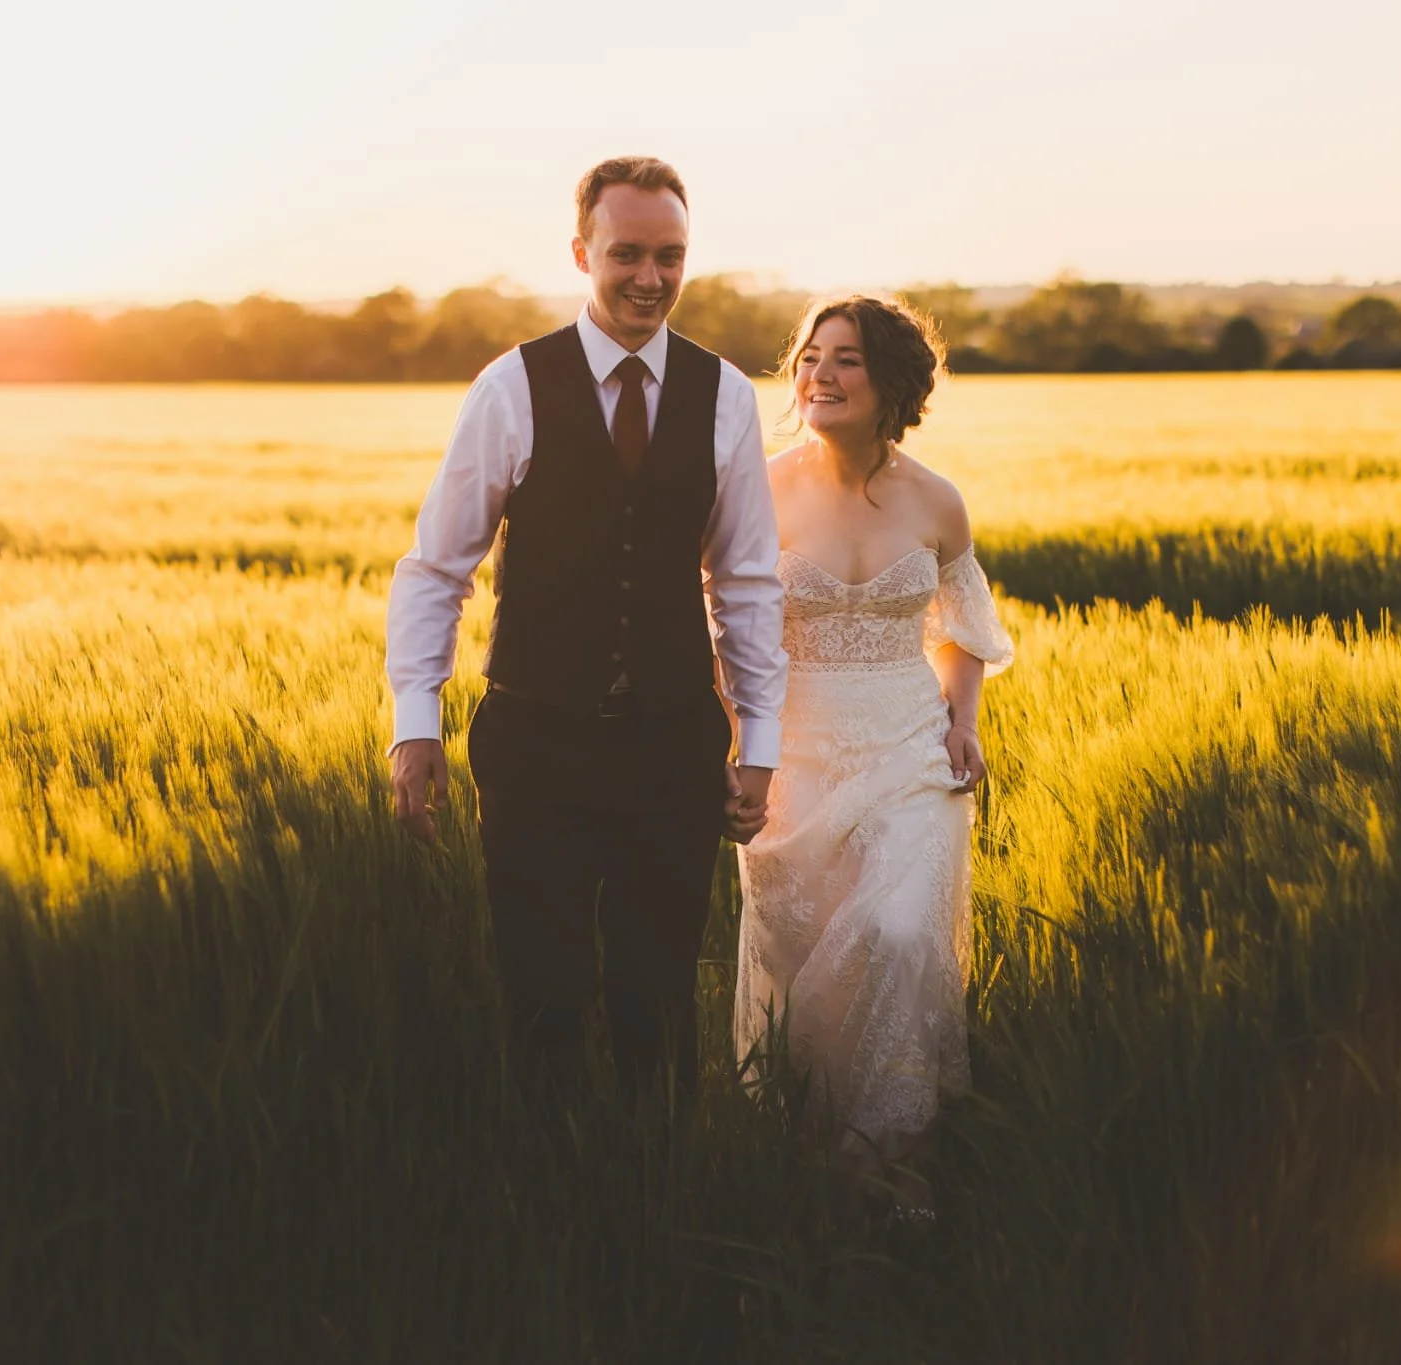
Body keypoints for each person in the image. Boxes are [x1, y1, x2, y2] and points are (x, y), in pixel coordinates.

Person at [385, 156, 787, 1107]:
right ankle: (555, 1200)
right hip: (537, 742)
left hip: (673, 743)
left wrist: (759, 742)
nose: (650, 276)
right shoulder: (511, 387)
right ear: (582, 253)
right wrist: (416, 721)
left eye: (671, 256)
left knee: (659, 1002)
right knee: (544, 998)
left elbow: (746, 579)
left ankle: (657, 1198)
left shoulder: (725, 394)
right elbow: (437, 567)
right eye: (628, 253)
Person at [733, 296, 1014, 1215]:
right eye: (809, 358)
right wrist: (741, 742)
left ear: (892, 382)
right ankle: (810, 1164)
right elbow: (721, 630)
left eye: (845, 360)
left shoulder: (938, 499)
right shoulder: (756, 487)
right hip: (797, 757)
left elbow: (964, 627)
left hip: (908, 749)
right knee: (808, 957)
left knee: (895, 938)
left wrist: (962, 720)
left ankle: (900, 1172)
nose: (818, 375)